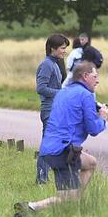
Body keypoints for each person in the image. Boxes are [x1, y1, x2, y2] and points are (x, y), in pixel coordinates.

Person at [15, 61, 108, 217]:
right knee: (67, 198)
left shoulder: (64, 92)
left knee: (90, 162)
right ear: (85, 76)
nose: (97, 80)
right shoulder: (85, 95)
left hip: (50, 148)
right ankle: (31, 207)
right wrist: (103, 118)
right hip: (63, 151)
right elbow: (93, 129)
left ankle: (74, 202)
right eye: (95, 76)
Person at [35, 33, 70, 184]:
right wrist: (61, 93)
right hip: (49, 111)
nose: (64, 51)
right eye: (62, 48)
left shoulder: (54, 64)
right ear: (52, 49)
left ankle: (44, 178)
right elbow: (41, 89)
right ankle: (41, 179)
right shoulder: (46, 65)